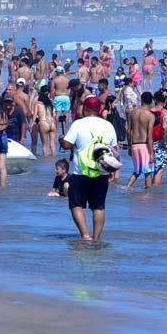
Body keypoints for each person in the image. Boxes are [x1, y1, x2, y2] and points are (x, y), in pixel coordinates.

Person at [59, 95, 117, 241]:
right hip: (101, 172)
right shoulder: (108, 125)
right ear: (99, 109)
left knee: (76, 204)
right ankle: (97, 238)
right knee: (98, 206)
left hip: (80, 172)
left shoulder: (78, 124)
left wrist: (61, 138)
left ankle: (85, 235)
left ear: (85, 108)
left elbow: (66, 145)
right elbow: (114, 149)